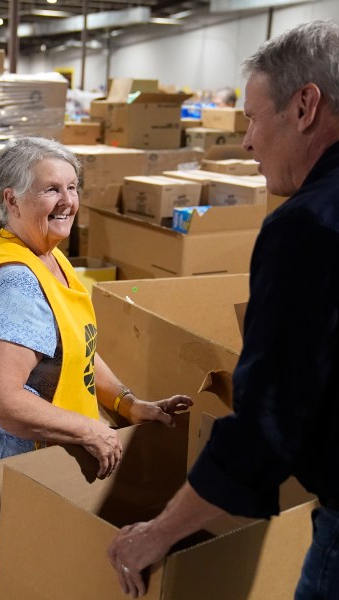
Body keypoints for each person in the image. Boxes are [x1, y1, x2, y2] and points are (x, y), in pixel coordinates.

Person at [107, 19, 339, 600]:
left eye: (254, 119)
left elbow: (269, 422)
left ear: (305, 105)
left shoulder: (308, 225)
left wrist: (156, 534)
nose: (248, 142)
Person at [0, 136, 193, 600]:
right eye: (50, 190)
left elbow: (74, 347)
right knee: (7, 578)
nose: (67, 201)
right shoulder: (17, 283)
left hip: (14, 456)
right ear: (12, 199)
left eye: (72, 186)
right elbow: (1, 398)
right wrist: (90, 430)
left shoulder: (47, 255)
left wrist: (127, 402)